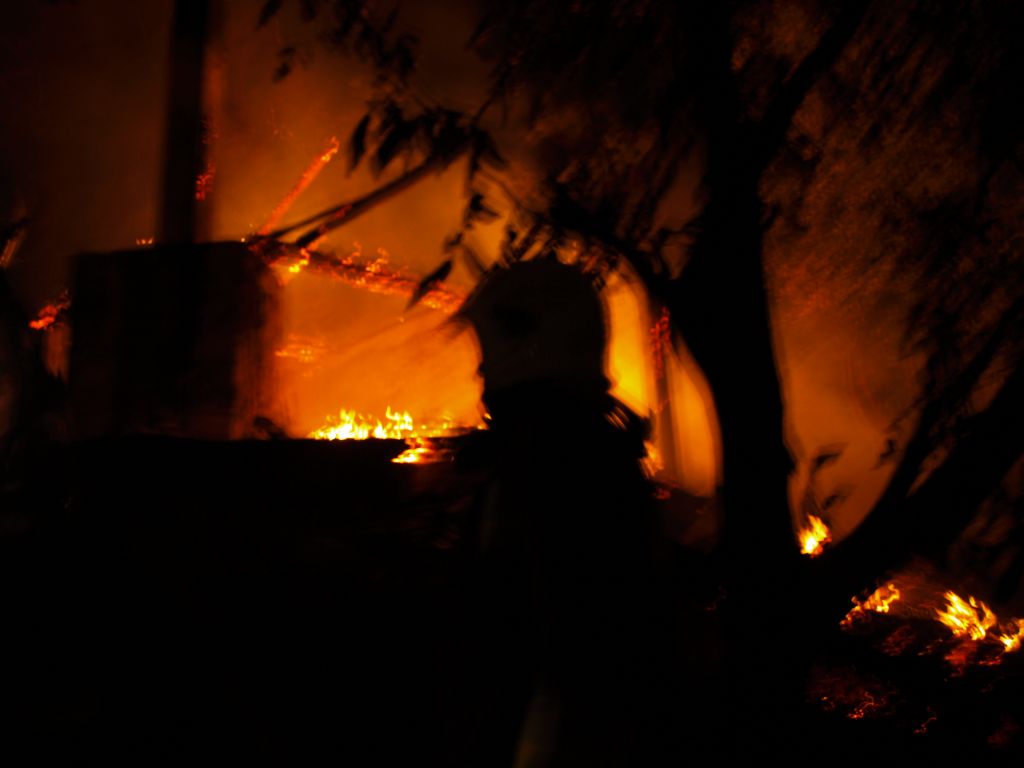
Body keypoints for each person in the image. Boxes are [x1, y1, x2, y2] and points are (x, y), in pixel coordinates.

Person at [457, 257, 676, 766]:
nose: (481, 369)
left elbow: (554, 657)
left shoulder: (553, 466)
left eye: (492, 346)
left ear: (534, 344)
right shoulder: (583, 453)